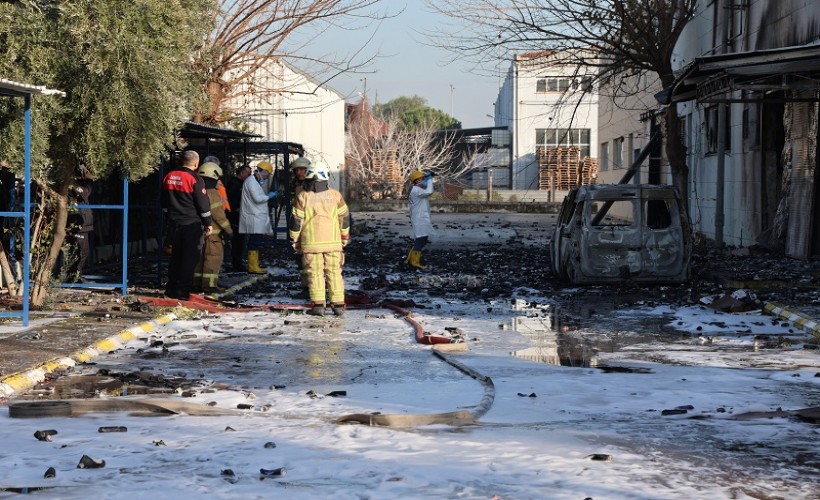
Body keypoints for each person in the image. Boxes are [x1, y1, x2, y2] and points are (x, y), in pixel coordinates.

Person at [289, 161, 350, 317]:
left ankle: (318, 306)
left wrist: (294, 241)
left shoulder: (303, 196)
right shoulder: (335, 195)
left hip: (311, 244)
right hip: (333, 243)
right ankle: (338, 305)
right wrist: (344, 237)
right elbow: (345, 218)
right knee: (335, 272)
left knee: (314, 273)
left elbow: (296, 222)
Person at [161, 150, 212, 300]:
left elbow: (163, 202)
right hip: (191, 225)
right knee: (189, 259)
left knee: (176, 258)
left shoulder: (169, 176)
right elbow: (202, 204)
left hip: (174, 224)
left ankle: (170, 289)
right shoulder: (195, 179)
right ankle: (182, 292)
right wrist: (208, 223)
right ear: (196, 163)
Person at [192, 162, 232, 293]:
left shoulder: (196, 190)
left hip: (198, 232)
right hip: (213, 235)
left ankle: (197, 284)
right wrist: (229, 230)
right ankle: (209, 286)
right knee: (212, 259)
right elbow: (219, 215)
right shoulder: (212, 193)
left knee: (199, 259)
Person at [239, 161, 278, 274]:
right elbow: (258, 199)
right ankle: (253, 266)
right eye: (267, 174)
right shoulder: (251, 182)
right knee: (254, 242)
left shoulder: (253, 182)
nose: (266, 177)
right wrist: (269, 196)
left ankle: (254, 264)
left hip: (255, 216)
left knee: (255, 241)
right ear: (263, 171)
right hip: (254, 217)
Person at [66, 164, 94, 280]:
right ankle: (73, 277)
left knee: (83, 251)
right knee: (79, 251)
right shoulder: (72, 183)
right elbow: (85, 192)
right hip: (77, 223)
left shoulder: (79, 183)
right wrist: (89, 179)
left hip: (83, 223)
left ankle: (76, 276)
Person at [289, 156, 310, 298]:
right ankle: (306, 287)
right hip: (299, 225)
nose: (298, 172)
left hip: (308, 226)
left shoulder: (311, 186)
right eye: (296, 170)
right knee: (300, 259)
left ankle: (310, 288)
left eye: (301, 170)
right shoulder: (296, 184)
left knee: (308, 259)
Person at [226, 164, 252, 271]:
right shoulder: (235, 185)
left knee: (240, 241)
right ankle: (237, 264)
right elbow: (232, 200)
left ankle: (237, 263)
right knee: (238, 242)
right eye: (248, 174)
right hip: (235, 217)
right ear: (241, 174)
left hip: (239, 216)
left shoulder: (240, 184)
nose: (250, 176)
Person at [407, 170, 434, 270]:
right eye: (423, 179)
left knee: (424, 239)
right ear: (417, 181)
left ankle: (411, 258)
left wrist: (427, 179)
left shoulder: (417, 190)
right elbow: (429, 191)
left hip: (421, 218)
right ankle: (414, 262)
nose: (424, 180)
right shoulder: (416, 190)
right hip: (419, 219)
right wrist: (430, 180)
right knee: (420, 239)